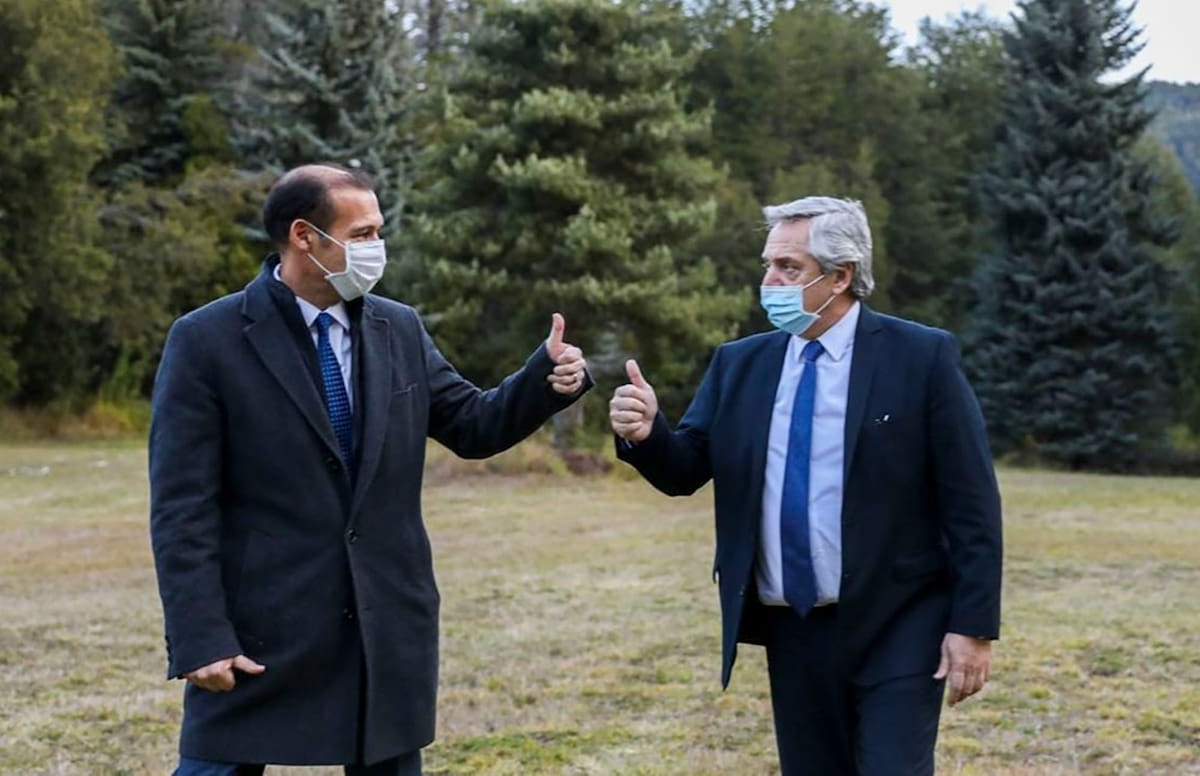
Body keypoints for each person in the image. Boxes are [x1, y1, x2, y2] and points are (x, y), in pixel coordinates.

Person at [149, 164, 591, 775]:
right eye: (361, 234)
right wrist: (200, 636)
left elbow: (473, 425)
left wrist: (543, 379)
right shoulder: (205, 340)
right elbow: (181, 507)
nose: (376, 247)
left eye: (378, 231)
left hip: (385, 620)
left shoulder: (398, 327)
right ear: (304, 236)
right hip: (260, 627)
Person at [609, 196, 1002, 775]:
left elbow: (971, 502)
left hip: (899, 618)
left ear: (841, 276)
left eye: (788, 268)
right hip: (793, 624)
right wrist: (646, 433)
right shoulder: (740, 364)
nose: (769, 280)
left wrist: (972, 626)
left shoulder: (920, 357)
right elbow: (685, 469)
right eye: (768, 265)